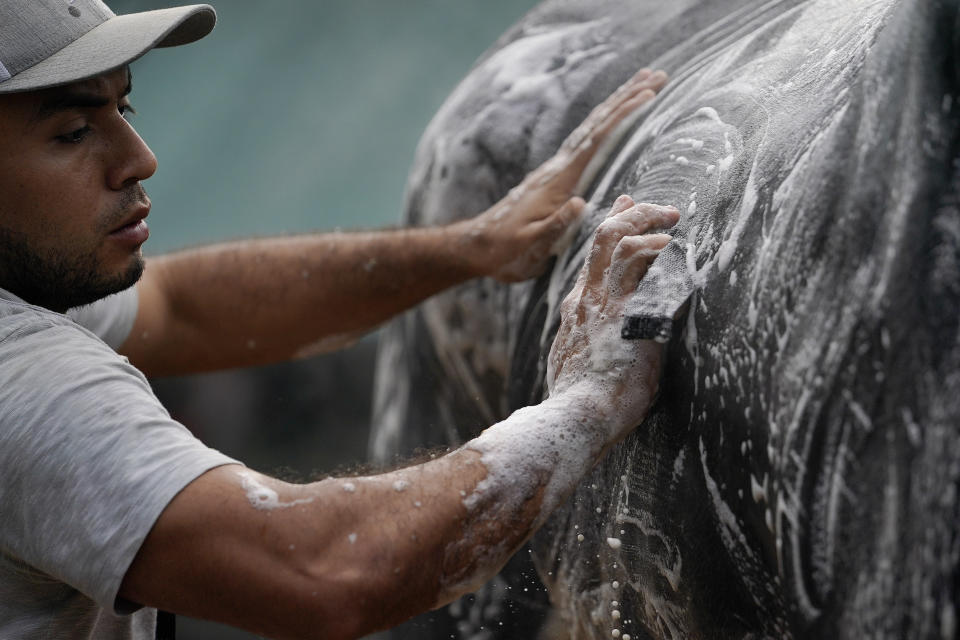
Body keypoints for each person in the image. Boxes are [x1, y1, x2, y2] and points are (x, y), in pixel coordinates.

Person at [0, 1, 679, 638]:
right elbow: (323, 570)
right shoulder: (27, 383)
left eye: (125, 104)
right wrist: (588, 402)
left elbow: (180, 304)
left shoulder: (33, 282)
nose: (139, 159)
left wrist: (470, 247)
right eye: (74, 131)